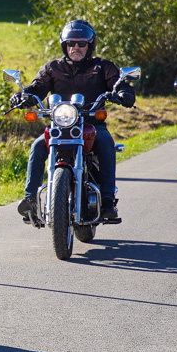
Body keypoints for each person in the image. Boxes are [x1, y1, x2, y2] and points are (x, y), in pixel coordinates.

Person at [9, 19, 136, 222]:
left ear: (89, 46)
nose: (75, 47)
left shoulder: (103, 67)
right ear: (64, 45)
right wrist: (22, 95)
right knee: (38, 145)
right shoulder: (53, 68)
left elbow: (119, 84)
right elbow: (37, 88)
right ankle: (30, 199)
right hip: (60, 125)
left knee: (105, 143)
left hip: (92, 124)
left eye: (81, 43)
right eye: (71, 43)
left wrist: (123, 93)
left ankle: (108, 201)